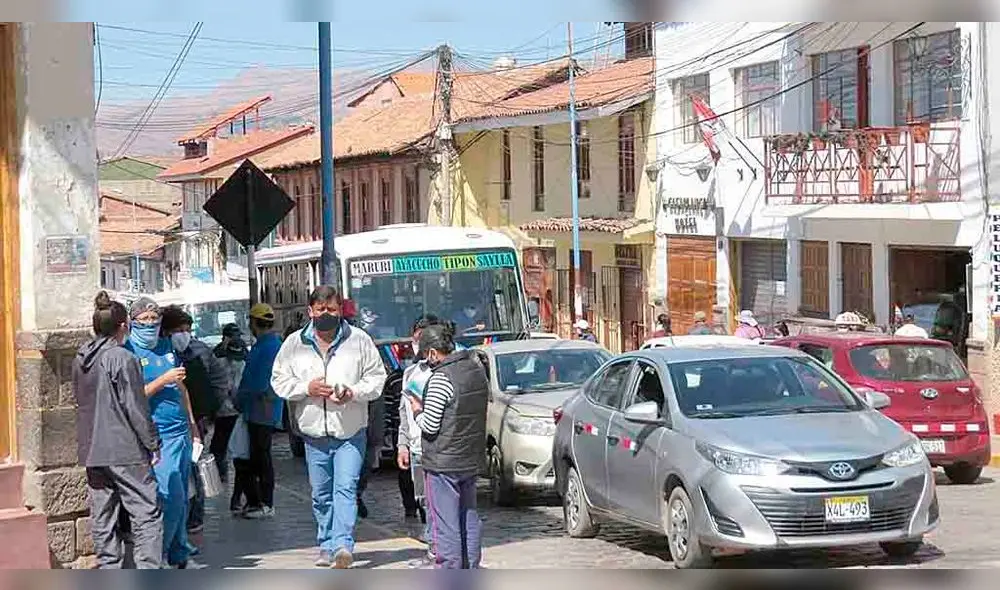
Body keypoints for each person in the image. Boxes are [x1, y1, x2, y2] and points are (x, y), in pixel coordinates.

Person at [271, 286, 387, 569]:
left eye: (332, 310)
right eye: (321, 310)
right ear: (310, 311)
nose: (326, 314)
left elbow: (377, 378)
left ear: (340, 311)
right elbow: (278, 381)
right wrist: (305, 388)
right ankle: (325, 542)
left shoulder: (359, 341)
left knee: (346, 487)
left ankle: (342, 545)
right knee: (321, 493)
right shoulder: (293, 344)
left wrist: (354, 392)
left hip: (350, 430)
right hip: (313, 433)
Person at [73, 292, 164, 569]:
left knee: (103, 514)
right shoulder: (122, 358)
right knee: (146, 513)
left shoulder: (80, 359)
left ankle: (109, 569)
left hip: (92, 448)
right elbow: (135, 407)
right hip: (124, 448)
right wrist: (153, 443)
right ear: (124, 326)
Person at [124, 296, 200, 569]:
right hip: (157, 434)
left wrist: (192, 425)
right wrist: (162, 380)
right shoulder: (129, 351)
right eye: (144, 319)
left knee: (184, 496)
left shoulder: (167, 347)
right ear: (132, 322)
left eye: (154, 319)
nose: (150, 324)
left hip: (180, 431)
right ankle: (162, 554)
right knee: (170, 496)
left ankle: (180, 554)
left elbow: (182, 387)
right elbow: (132, 396)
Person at [406, 324, 489, 569]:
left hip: (443, 462)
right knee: (469, 516)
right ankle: (470, 567)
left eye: (425, 355)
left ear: (433, 353)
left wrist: (417, 409)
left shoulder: (441, 378)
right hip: (470, 457)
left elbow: (430, 426)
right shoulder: (475, 369)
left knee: (446, 523)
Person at [159, 305, 231, 538]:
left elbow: (220, 380)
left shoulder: (200, 350)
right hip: (167, 422)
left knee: (194, 469)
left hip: (196, 421)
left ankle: (194, 518)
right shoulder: (158, 354)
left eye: (187, 330)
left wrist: (210, 410)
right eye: (178, 330)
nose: (183, 335)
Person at [236, 303, 284, 519]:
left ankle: (265, 503)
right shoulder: (268, 345)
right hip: (259, 409)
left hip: (261, 409)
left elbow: (257, 383)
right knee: (255, 456)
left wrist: (239, 398)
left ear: (254, 323)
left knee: (261, 457)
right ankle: (255, 501)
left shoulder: (267, 347)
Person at [213, 324, 251, 513]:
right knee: (222, 448)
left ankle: (236, 495)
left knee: (239, 456)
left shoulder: (244, 361)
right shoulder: (219, 361)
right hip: (226, 412)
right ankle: (221, 477)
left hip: (237, 413)